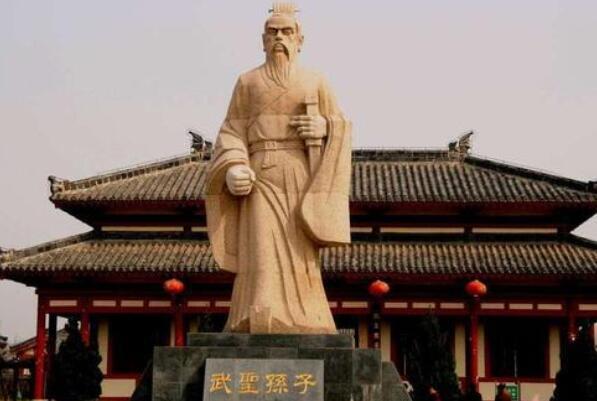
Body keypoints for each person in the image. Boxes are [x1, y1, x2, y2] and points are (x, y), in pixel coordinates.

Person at [205, 2, 351, 334]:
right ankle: (256, 314)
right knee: (261, 252)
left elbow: (341, 124)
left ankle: (308, 318)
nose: (279, 39)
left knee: (300, 253)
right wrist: (233, 166)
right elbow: (231, 131)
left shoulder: (316, 81)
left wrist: (325, 127)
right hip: (260, 175)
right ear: (263, 41)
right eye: (272, 33)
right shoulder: (247, 83)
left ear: (300, 39)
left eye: (286, 32)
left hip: (301, 175)